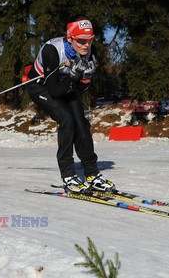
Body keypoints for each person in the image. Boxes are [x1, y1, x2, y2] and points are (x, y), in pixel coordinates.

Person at [26, 18, 115, 194]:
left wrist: (86, 78)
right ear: (70, 38)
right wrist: (73, 77)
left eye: (90, 40)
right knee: (66, 120)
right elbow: (54, 91)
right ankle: (68, 175)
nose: (86, 45)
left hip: (66, 84)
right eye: (81, 40)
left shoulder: (90, 51)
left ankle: (92, 174)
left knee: (81, 123)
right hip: (41, 86)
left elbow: (82, 88)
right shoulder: (53, 50)